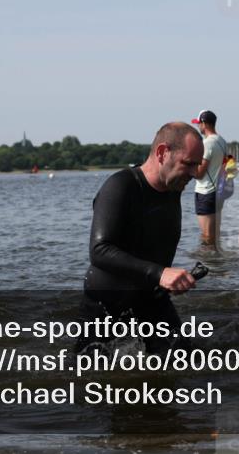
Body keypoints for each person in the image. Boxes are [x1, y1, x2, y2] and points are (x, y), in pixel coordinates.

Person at [81, 122, 203, 348]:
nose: (195, 174)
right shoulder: (121, 186)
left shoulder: (171, 190)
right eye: (189, 164)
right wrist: (160, 273)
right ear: (162, 153)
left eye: (197, 165)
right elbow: (99, 250)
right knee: (87, 375)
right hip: (107, 304)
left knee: (190, 362)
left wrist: (169, 280)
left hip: (151, 299)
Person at [191, 110, 228, 250]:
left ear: (204, 123)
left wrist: (188, 169)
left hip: (205, 192)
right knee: (215, 235)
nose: (198, 126)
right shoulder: (222, 141)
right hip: (218, 192)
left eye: (198, 123)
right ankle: (218, 266)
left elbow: (199, 173)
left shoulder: (207, 143)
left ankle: (209, 265)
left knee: (207, 236)